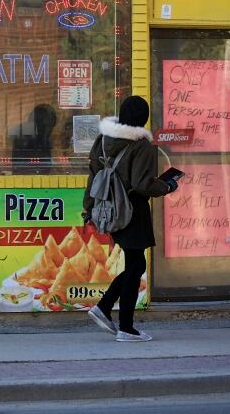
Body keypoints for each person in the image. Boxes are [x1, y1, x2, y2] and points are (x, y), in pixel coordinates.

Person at [82, 95, 178, 342]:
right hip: (133, 210)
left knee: (134, 265)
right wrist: (166, 186)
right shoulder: (142, 145)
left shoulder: (103, 140)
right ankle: (125, 327)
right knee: (136, 266)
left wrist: (89, 209)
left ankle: (104, 309)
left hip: (110, 209)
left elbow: (93, 175)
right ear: (143, 118)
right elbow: (142, 184)